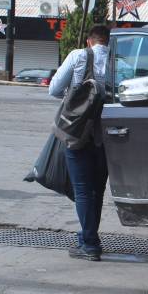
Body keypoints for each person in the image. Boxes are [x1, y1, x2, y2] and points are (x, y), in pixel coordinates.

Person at [49, 24, 111, 261]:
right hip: (108, 135)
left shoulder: (78, 56)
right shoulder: (118, 61)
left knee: (83, 190)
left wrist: (73, 96)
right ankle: (89, 238)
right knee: (98, 190)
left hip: (77, 132)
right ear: (108, 42)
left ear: (89, 41)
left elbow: (54, 89)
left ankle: (90, 243)